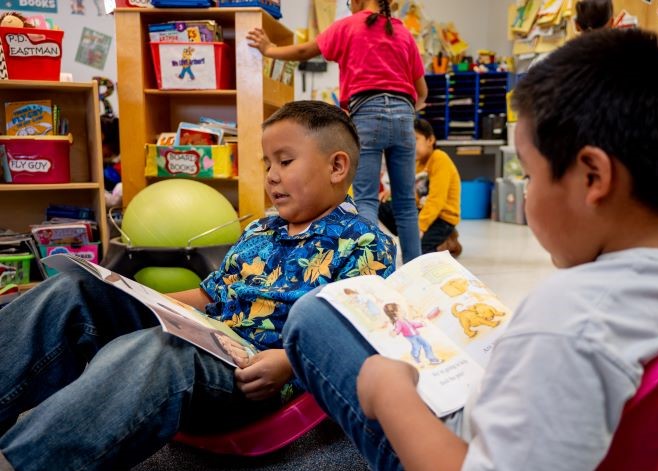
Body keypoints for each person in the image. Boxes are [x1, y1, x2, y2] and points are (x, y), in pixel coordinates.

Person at [282, 29, 658, 470]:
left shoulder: (572, 318)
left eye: (529, 173)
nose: (525, 194)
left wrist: (391, 395)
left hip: (456, 445)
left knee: (315, 317)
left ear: (593, 177)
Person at [0, 101, 396, 470]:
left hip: (251, 373)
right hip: (205, 334)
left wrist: (289, 363)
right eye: (267, 163)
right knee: (74, 291)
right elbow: (209, 296)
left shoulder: (364, 243)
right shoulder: (261, 229)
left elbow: (358, 336)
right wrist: (134, 298)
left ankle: (25, 463)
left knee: (161, 349)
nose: (272, 175)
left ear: (337, 166)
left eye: (286, 161)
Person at [247, 0, 427, 263]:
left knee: (366, 199)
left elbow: (303, 51)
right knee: (406, 204)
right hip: (404, 116)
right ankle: (415, 270)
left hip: (367, 112)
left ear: (356, 1)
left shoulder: (348, 25)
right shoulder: (401, 32)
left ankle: (367, 268)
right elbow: (422, 92)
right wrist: (404, 109)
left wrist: (269, 49)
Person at [379, 119, 462, 256]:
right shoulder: (417, 163)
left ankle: (447, 241)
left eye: (415, 139)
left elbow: (436, 200)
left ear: (430, 140)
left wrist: (420, 227)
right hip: (422, 212)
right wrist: (392, 191)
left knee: (419, 253)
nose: (410, 145)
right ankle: (433, 238)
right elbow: (410, 190)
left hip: (442, 218)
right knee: (381, 205)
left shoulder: (439, 158)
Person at [383, 302, 441, 366]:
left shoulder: (405, 319)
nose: (403, 311)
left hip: (417, 334)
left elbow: (413, 324)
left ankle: (432, 359)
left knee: (427, 344)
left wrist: (421, 324)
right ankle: (415, 357)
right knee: (417, 347)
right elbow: (397, 329)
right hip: (410, 337)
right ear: (396, 313)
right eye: (401, 310)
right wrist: (394, 332)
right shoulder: (398, 322)